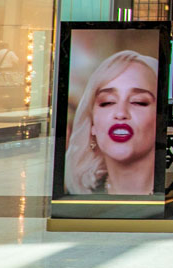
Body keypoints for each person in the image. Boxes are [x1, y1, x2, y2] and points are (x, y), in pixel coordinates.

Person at [64, 50, 159, 195]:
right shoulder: (79, 199)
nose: (121, 113)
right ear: (92, 125)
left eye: (138, 102)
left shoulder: (172, 197)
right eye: (107, 102)